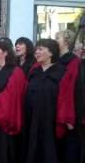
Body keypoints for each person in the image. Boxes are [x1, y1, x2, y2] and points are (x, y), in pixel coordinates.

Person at [23, 39, 66, 163]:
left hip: (50, 120)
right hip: (32, 119)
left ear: (51, 52)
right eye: (36, 49)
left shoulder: (61, 72)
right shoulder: (34, 72)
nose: (36, 52)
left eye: (41, 49)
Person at [55, 30, 85, 163]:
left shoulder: (74, 62)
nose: (55, 40)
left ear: (67, 41)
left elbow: (76, 91)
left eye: (58, 38)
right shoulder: (55, 60)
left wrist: (71, 118)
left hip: (69, 116)